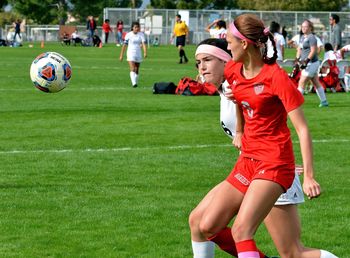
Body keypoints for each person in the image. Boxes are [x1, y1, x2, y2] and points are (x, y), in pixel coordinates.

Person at [190, 13, 327, 258]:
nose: (227, 45)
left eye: (230, 41)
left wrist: (309, 176)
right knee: (205, 223)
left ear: (244, 43)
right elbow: (242, 100)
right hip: (248, 162)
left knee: (276, 246)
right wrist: (240, 131)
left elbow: (303, 129)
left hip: (274, 163)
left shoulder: (275, 77)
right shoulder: (233, 70)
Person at [296, 19, 329, 107]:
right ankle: (324, 102)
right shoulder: (303, 37)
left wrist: (306, 61)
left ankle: (296, 103)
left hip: (311, 63)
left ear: (310, 28)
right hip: (307, 64)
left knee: (302, 82)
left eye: (306, 26)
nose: (303, 28)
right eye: (302, 26)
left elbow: (313, 50)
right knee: (315, 82)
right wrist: (297, 59)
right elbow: (299, 49)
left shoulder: (312, 37)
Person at [119, 21, 147, 88]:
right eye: (135, 27)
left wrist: (145, 52)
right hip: (130, 52)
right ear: (132, 28)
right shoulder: (128, 35)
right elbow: (124, 45)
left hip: (138, 53)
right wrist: (121, 55)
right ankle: (134, 83)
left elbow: (143, 44)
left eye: (138, 27)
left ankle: (136, 82)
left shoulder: (141, 35)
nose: (137, 28)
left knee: (137, 69)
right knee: (132, 68)